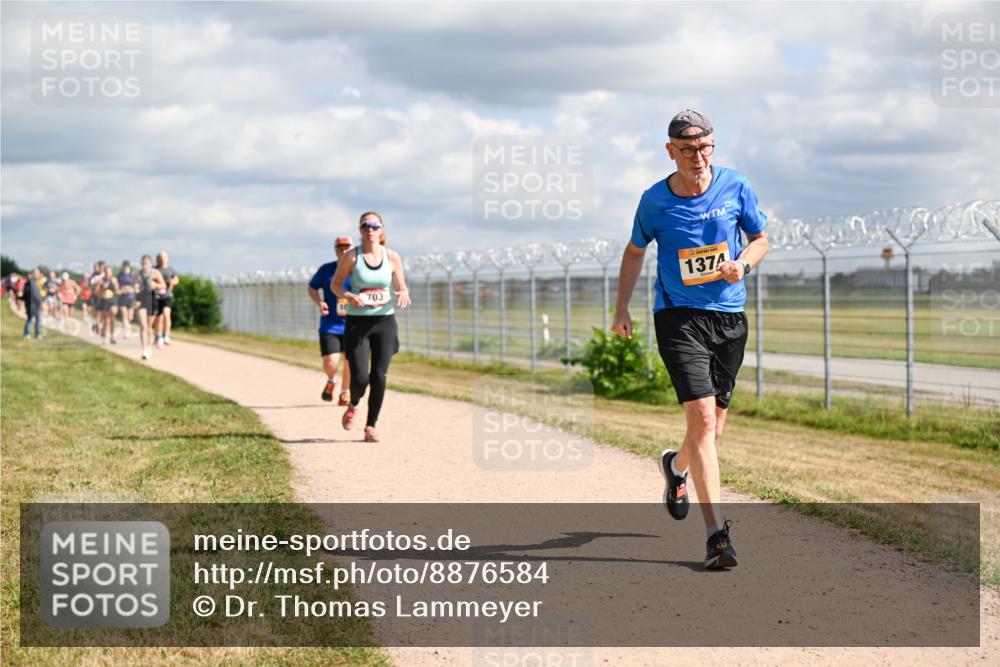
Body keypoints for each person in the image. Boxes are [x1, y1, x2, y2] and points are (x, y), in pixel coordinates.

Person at [611, 110, 769, 570]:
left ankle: (676, 467)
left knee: (711, 431)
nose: (698, 157)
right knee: (700, 419)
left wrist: (743, 263)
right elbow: (635, 252)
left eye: (704, 148)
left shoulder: (736, 185)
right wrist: (621, 309)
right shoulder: (654, 201)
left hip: (729, 318)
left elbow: (760, 238)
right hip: (677, 318)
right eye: (687, 149)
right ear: (670, 151)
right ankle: (717, 536)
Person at [331, 212, 411, 443]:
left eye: (375, 226)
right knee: (359, 378)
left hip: (384, 322)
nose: (370, 230)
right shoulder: (351, 256)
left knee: (379, 375)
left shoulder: (392, 256)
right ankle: (354, 403)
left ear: (381, 229)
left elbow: (401, 284)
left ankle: (371, 426)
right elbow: (336, 285)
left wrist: (403, 292)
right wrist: (348, 296)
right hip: (358, 323)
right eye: (366, 226)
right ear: (360, 230)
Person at [308, 236, 354, 406]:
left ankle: (345, 392)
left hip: (353, 324)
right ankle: (331, 379)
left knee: (350, 361)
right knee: (331, 361)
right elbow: (312, 287)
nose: (343, 250)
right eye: (340, 247)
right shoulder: (326, 270)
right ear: (335, 250)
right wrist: (320, 302)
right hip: (330, 324)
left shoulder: (357, 271)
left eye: (347, 247)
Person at [135, 254, 166, 360]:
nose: (145, 265)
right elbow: (134, 286)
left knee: (148, 326)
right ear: (141, 264)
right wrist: (135, 288)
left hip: (152, 299)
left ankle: (149, 347)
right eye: (143, 263)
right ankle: (144, 349)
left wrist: (156, 285)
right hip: (141, 300)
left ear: (151, 264)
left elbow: (163, 285)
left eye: (147, 263)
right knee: (142, 326)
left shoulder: (155, 273)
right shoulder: (138, 274)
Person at [153, 252, 178, 348]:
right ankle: (158, 336)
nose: (162, 259)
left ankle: (166, 335)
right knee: (159, 317)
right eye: (160, 257)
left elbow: (176, 279)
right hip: (156, 296)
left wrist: (173, 282)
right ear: (158, 259)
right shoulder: (155, 269)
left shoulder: (170, 270)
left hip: (167, 296)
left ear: (167, 259)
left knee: (166, 313)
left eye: (164, 257)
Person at [95, 265, 120, 344]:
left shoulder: (114, 280)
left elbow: (117, 290)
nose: (108, 273)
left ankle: (112, 336)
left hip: (113, 300)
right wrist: (103, 288)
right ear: (104, 272)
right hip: (105, 301)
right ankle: (106, 337)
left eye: (109, 272)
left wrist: (114, 286)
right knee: (106, 320)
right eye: (106, 272)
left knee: (112, 315)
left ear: (111, 272)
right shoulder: (101, 281)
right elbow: (97, 292)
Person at [117, 260, 136, 338]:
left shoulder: (132, 275)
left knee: (130, 317)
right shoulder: (120, 275)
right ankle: (126, 332)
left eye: (127, 267)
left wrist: (132, 289)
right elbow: (117, 285)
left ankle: (127, 328)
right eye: (124, 267)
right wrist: (119, 290)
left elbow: (135, 285)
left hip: (131, 297)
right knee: (124, 315)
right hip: (122, 298)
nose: (125, 268)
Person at [22, 268, 43, 339]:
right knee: (37, 319)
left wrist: (20, 298)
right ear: (32, 274)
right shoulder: (32, 283)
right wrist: (41, 302)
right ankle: (37, 334)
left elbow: (24, 295)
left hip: (29, 304)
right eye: (37, 274)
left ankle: (26, 334)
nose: (38, 275)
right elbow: (35, 294)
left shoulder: (28, 283)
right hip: (34, 304)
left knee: (29, 319)